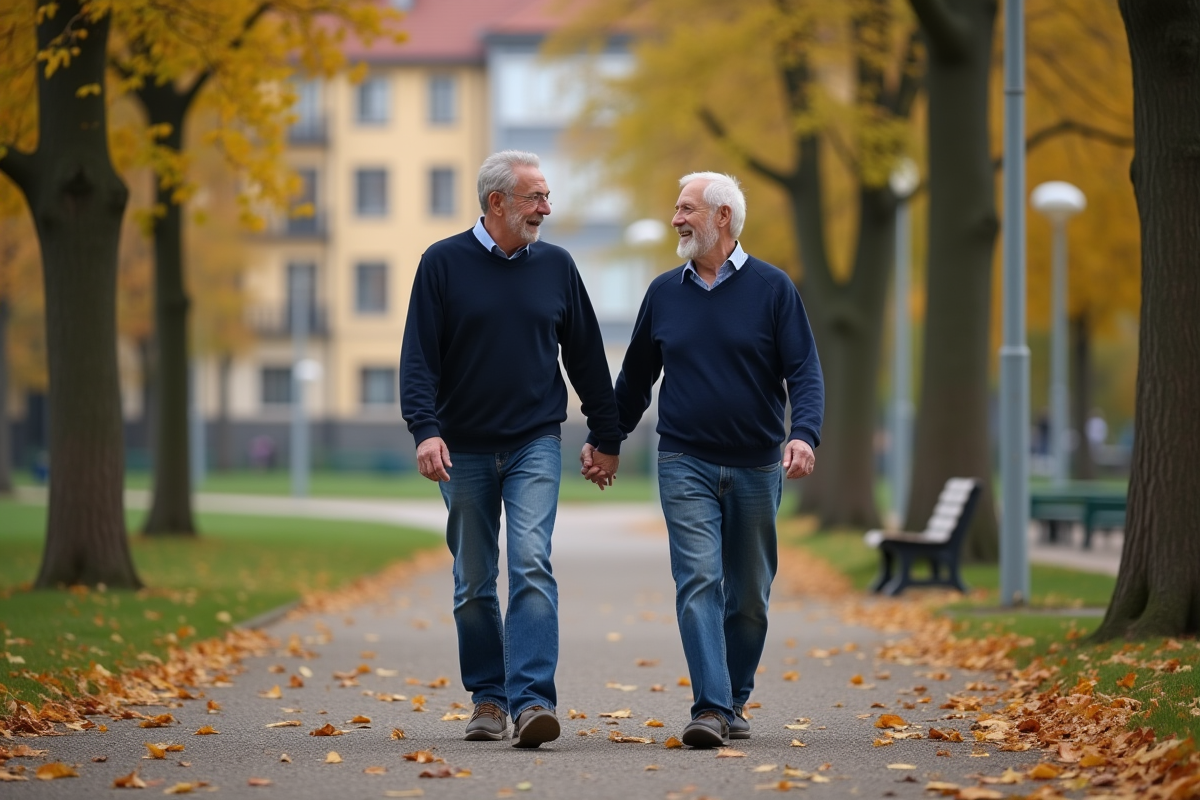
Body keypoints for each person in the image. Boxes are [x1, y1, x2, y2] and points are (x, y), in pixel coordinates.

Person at [582, 171, 824, 748]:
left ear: (722, 217)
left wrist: (804, 435)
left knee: (749, 596)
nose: (676, 219)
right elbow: (635, 378)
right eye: (676, 208)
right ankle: (711, 708)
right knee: (698, 581)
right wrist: (607, 441)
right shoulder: (664, 292)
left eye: (686, 208)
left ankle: (733, 699)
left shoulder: (773, 289)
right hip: (683, 459)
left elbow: (804, 372)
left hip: (756, 465)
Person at [400, 150, 622, 748]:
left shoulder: (557, 266)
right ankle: (489, 699)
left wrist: (606, 436)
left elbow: (585, 355)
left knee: (531, 562)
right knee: (473, 580)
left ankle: (532, 702)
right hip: (462, 448)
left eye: (547, 196)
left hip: (534, 441)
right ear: (497, 202)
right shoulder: (442, 263)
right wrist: (425, 429)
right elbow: (418, 357)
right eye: (535, 198)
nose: (545, 208)